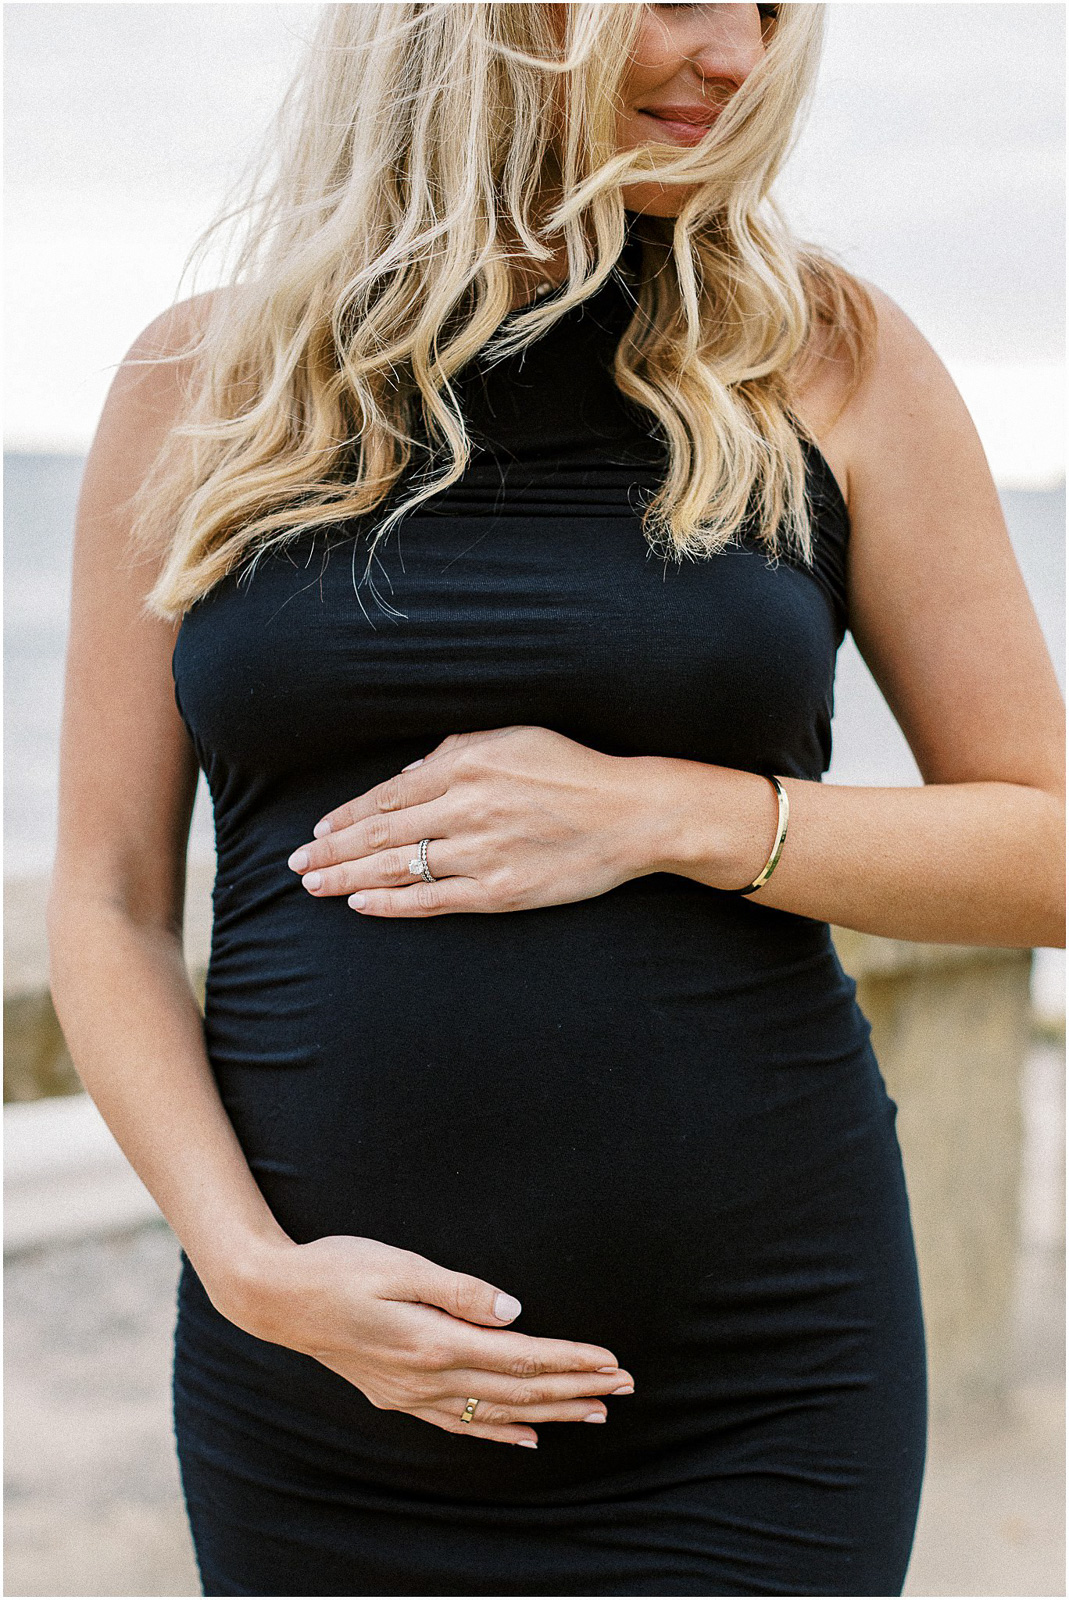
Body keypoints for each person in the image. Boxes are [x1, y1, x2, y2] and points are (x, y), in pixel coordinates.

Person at [48, 4, 1064, 1596]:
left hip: (754, 1388)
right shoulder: (206, 383)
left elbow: (1047, 849)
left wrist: (671, 810)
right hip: (320, 1390)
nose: (735, 55)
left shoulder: (824, 355)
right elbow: (108, 897)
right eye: (674, 0)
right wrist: (253, 1274)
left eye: (769, 13)